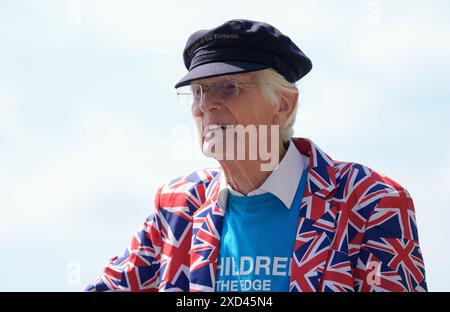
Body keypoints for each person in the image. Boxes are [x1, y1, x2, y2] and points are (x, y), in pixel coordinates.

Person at [85, 19, 427, 292]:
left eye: (228, 88)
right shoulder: (178, 206)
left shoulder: (370, 202)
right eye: (199, 92)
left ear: (283, 103)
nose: (206, 105)